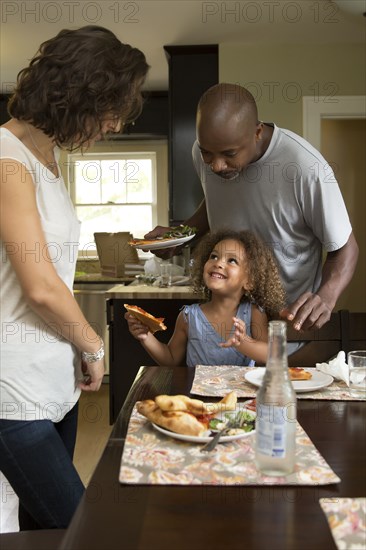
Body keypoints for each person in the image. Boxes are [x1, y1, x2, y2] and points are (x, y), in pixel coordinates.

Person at [0, 26, 149, 530]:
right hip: (11, 387)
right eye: (112, 112)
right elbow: (40, 286)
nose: (113, 127)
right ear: (81, 94)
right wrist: (94, 346)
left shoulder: (49, 159)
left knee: (44, 534)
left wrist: (73, 351)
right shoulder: (7, 159)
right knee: (82, 529)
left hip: (52, 378)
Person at [146, 83, 359, 334]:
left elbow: (346, 248)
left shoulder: (305, 168)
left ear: (257, 132)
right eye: (207, 153)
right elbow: (217, 200)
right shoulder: (202, 153)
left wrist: (326, 295)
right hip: (228, 321)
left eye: (229, 154)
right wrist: (181, 234)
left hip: (287, 326)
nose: (216, 166)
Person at [126, 229, 286, 367]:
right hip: (197, 400)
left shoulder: (254, 313)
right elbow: (171, 359)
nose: (219, 263)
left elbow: (271, 356)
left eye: (232, 260)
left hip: (239, 399)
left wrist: (243, 342)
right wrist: (146, 337)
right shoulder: (189, 317)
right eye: (214, 256)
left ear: (249, 281)